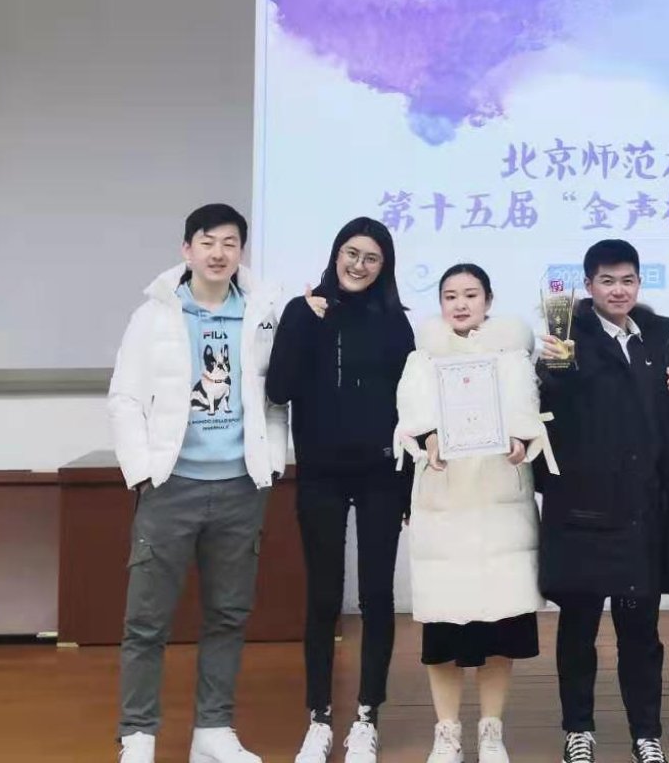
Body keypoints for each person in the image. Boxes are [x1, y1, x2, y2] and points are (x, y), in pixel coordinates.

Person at [108, 204, 287, 763]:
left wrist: (272, 460)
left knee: (228, 616)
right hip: (172, 486)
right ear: (187, 249)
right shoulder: (155, 315)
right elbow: (125, 397)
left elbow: (274, 396)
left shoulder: (260, 314)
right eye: (207, 242)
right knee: (146, 621)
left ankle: (213, 731)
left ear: (241, 252)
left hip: (240, 487)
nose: (218, 253)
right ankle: (138, 736)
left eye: (230, 243)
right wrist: (143, 472)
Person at [536, 239, 669, 763]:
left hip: (641, 511)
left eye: (628, 280)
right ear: (589, 286)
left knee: (641, 631)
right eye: (607, 281)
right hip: (583, 510)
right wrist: (554, 370)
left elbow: (651, 418)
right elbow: (554, 407)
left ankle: (646, 734)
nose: (619, 290)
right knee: (578, 628)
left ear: (639, 283)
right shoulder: (566, 337)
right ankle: (578, 730)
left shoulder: (657, 338)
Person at [266, 218, 415, 763]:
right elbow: (279, 389)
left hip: (381, 476)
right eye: (351, 253)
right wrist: (305, 324)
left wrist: (408, 486)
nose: (359, 265)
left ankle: (367, 716)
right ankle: (319, 717)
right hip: (321, 476)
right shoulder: (303, 312)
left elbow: (412, 408)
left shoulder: (396, 323)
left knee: (377, 596)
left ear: (384, 267)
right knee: (325, 597)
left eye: (371, 258)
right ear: (335, 255)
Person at [393, 264, 551, 763]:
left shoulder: (512, 357)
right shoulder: (422, 358)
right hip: (445, 509)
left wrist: (520, 441)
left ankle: (491, 731)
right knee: (443, 631)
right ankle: (446, 732)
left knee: (501, 627)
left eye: (471, 294)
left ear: (488, 300)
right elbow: (410, 419)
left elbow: (528, 417)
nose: (460, 304)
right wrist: (428, 439)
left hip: (500, 509)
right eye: (450, 295)